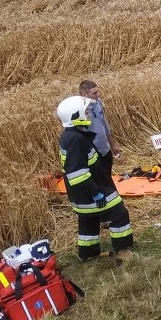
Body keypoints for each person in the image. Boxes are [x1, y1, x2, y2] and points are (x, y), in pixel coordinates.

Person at [56, 96, 133, 262]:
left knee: (88, 221)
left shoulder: (70, 136)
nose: (89, 115)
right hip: (91, 193)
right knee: (119, 213)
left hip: (80, 196)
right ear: (76, 116)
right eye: (86, 112)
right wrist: (97, 194)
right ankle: (123, 253)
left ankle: (89, 254)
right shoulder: (76, 140)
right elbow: (77, 174)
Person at [78, 80, 121, 180]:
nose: (98, 94)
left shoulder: (98, 103)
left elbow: (104, 125)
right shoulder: (79, 110)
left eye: (98, 91)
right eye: (94, 93)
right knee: (98, 179)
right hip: (92, 152)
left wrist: (113, 145)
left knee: (107, 177)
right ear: (84, 94)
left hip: (105, 148)